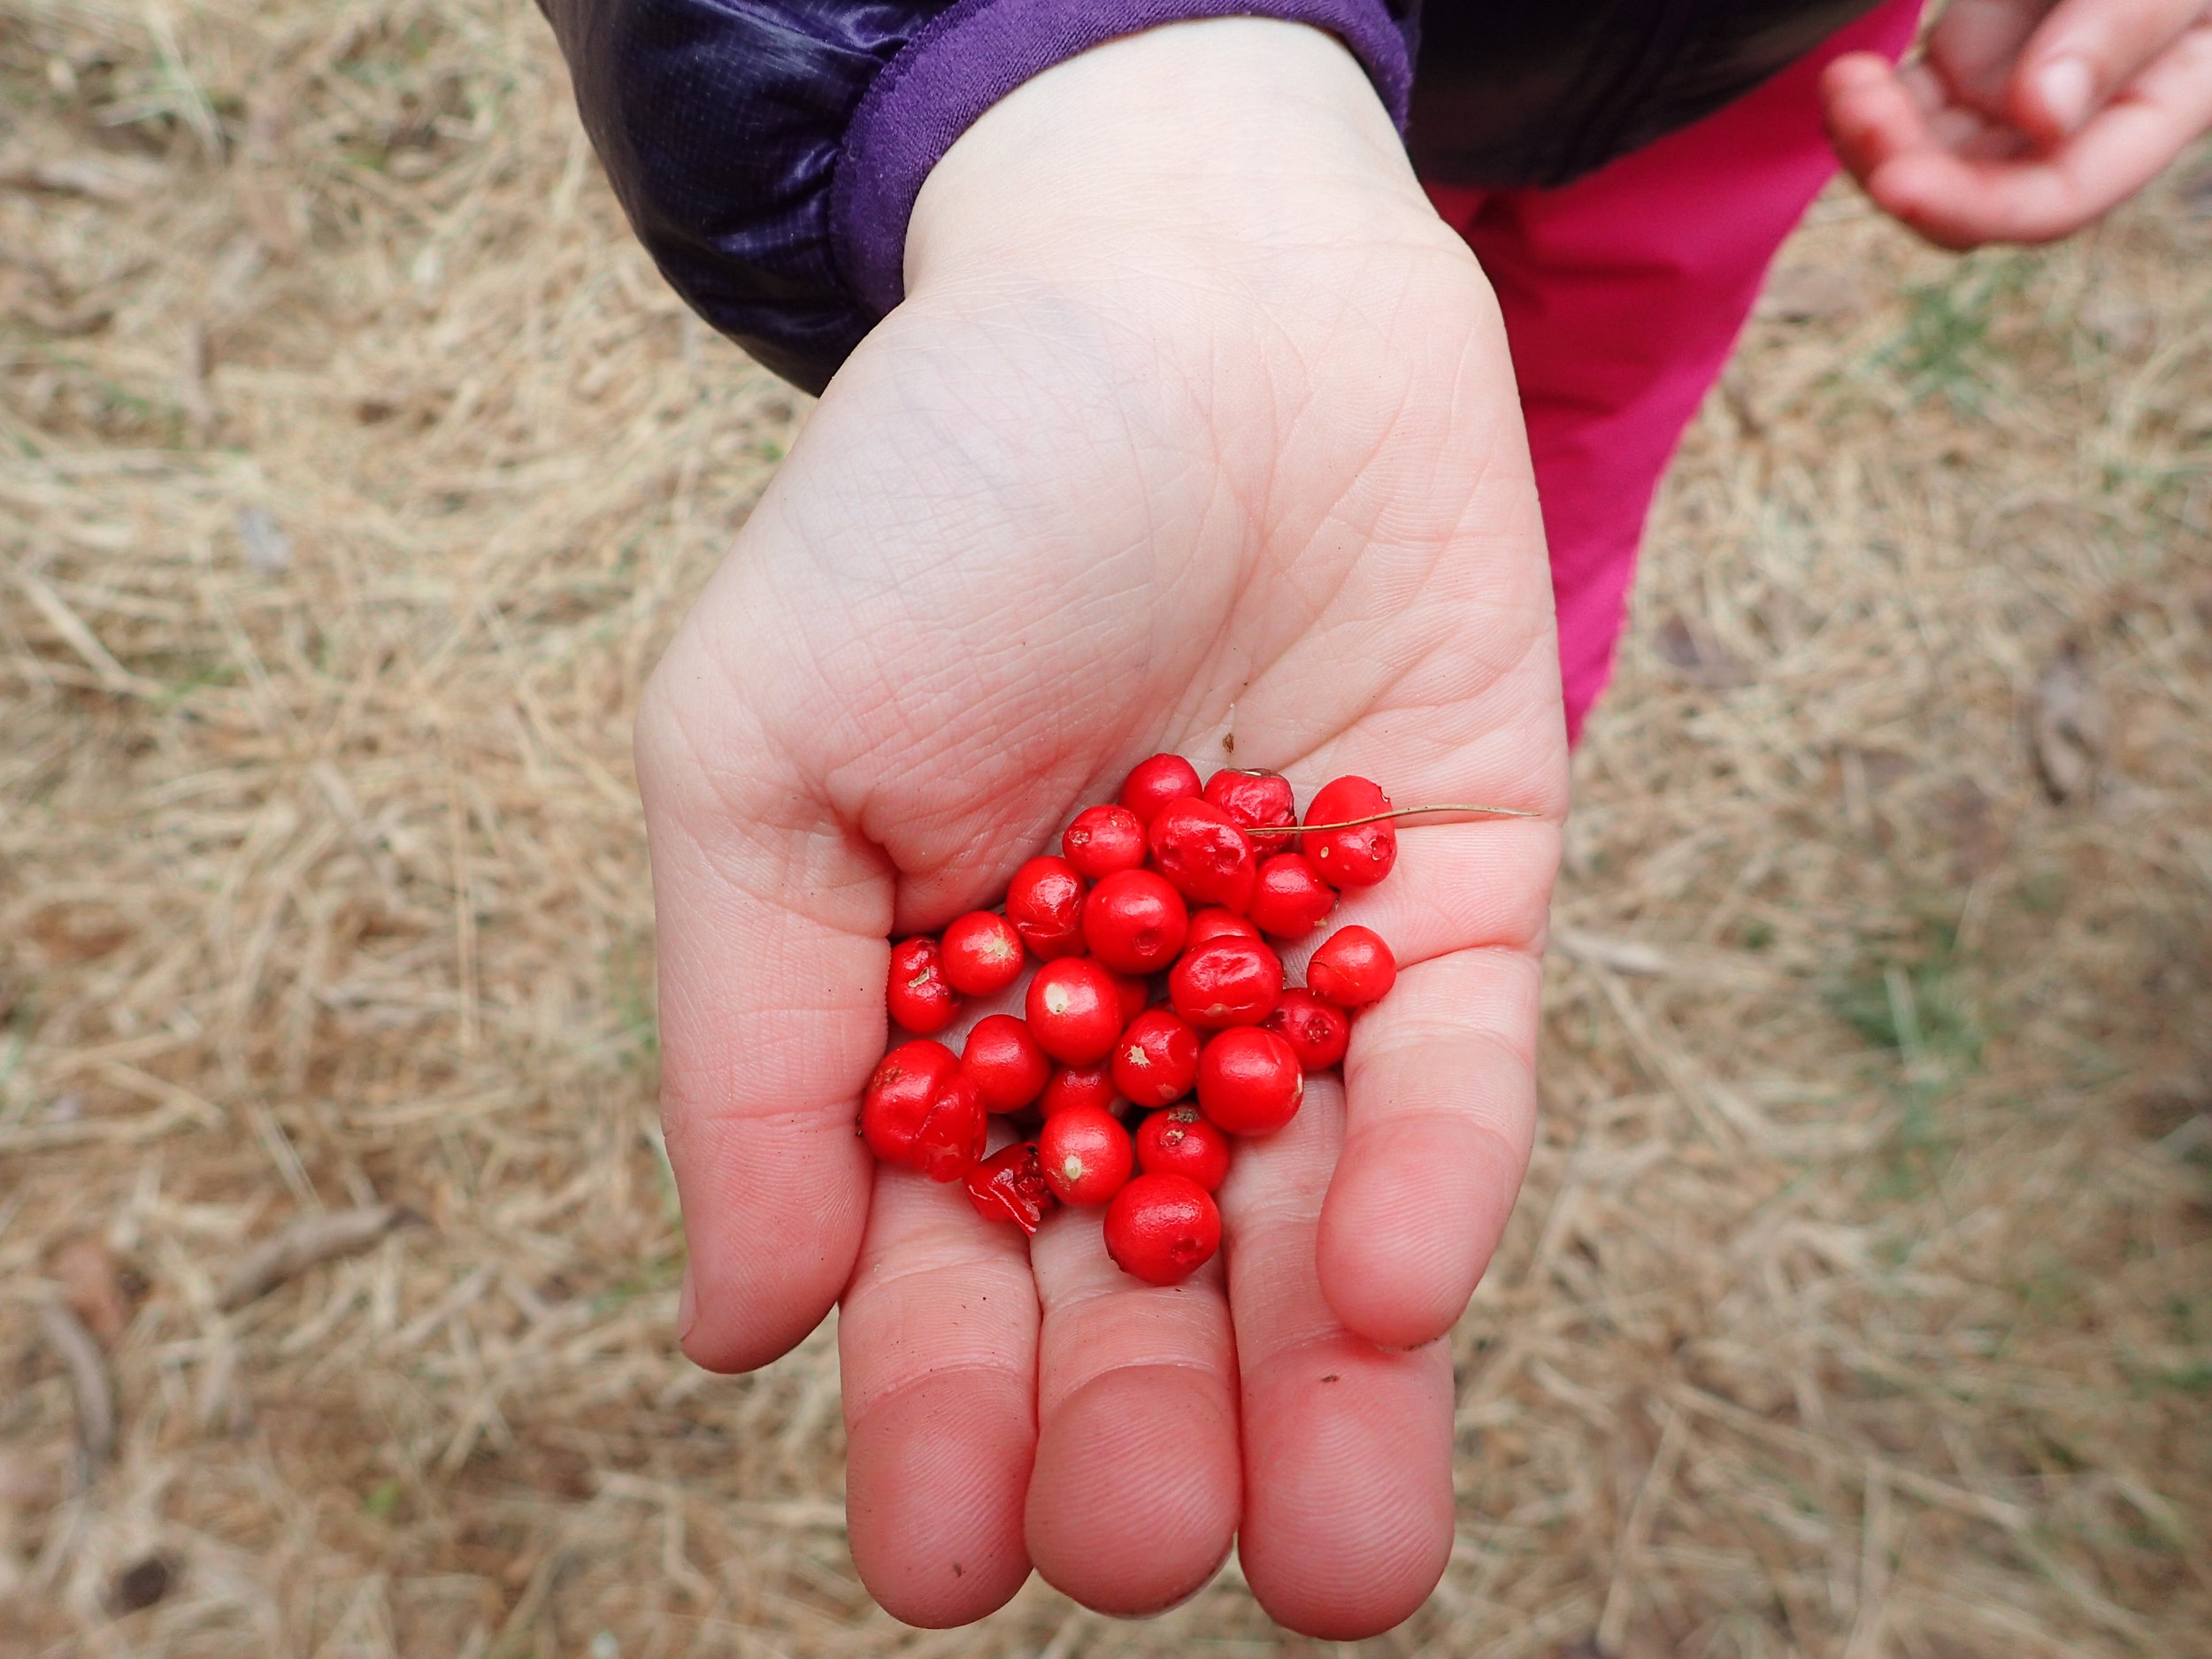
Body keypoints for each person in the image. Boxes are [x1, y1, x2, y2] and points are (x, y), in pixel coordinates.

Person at [536, 0, 2212, 1637]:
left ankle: (1524, 678)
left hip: (1723, 78)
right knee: (1371, 495)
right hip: (1150, 74)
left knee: (1501, 502)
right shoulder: (1130, 975)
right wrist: (1100, 118)